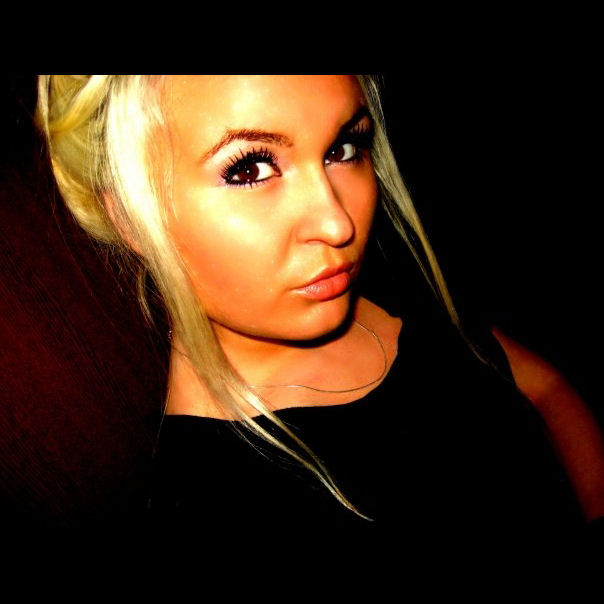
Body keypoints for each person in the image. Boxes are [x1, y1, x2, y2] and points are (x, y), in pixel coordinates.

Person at [34, 75, 603, 568]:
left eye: (343, 148)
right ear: (129, 215)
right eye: (250, 168)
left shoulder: (378, 278)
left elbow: (542, 387)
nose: (337, 223)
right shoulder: (213, 511)